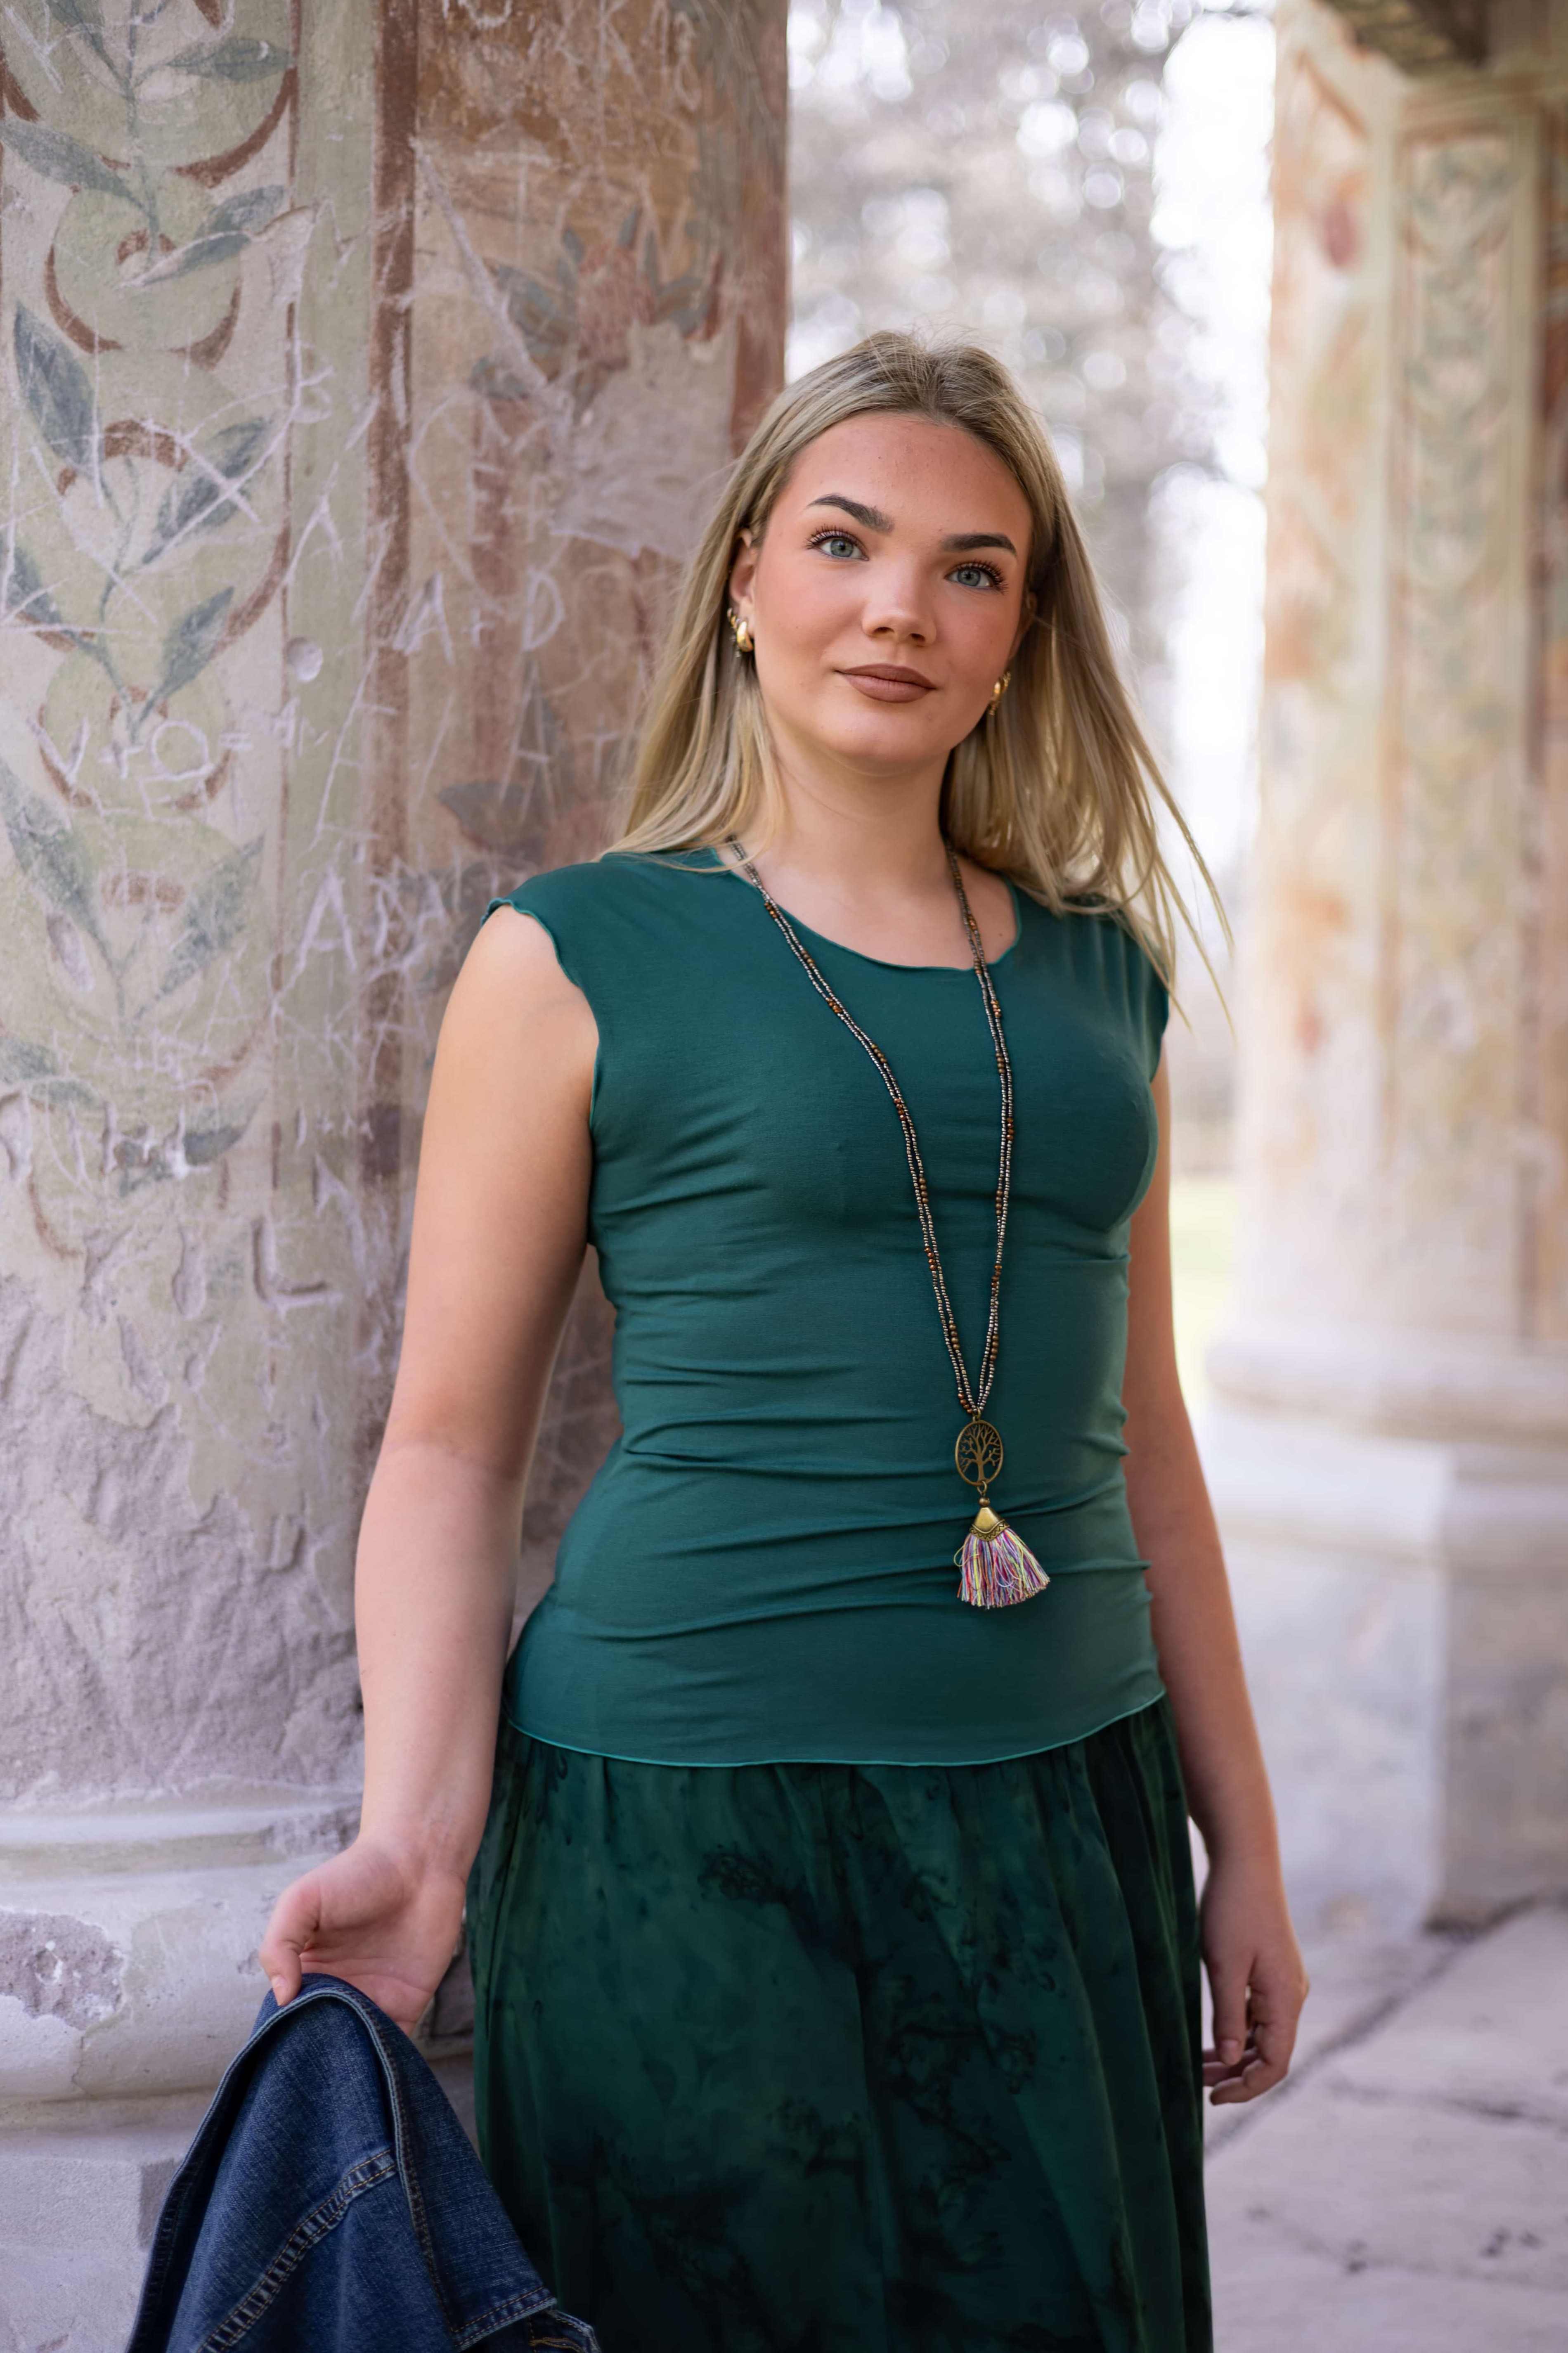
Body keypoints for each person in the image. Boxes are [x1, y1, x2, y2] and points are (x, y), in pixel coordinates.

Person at [262, 331, 1308, 2352]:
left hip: (1067, 1809)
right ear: (745, 578)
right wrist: (417, 1838)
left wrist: (1238, 1842)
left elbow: (1145, 1443)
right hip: (685, 1817)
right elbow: (453, 1449)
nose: (898, 605)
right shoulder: (575, 951)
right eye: (843, 542)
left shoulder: (1103, 977)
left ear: (1018, 639)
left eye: (969, 569)